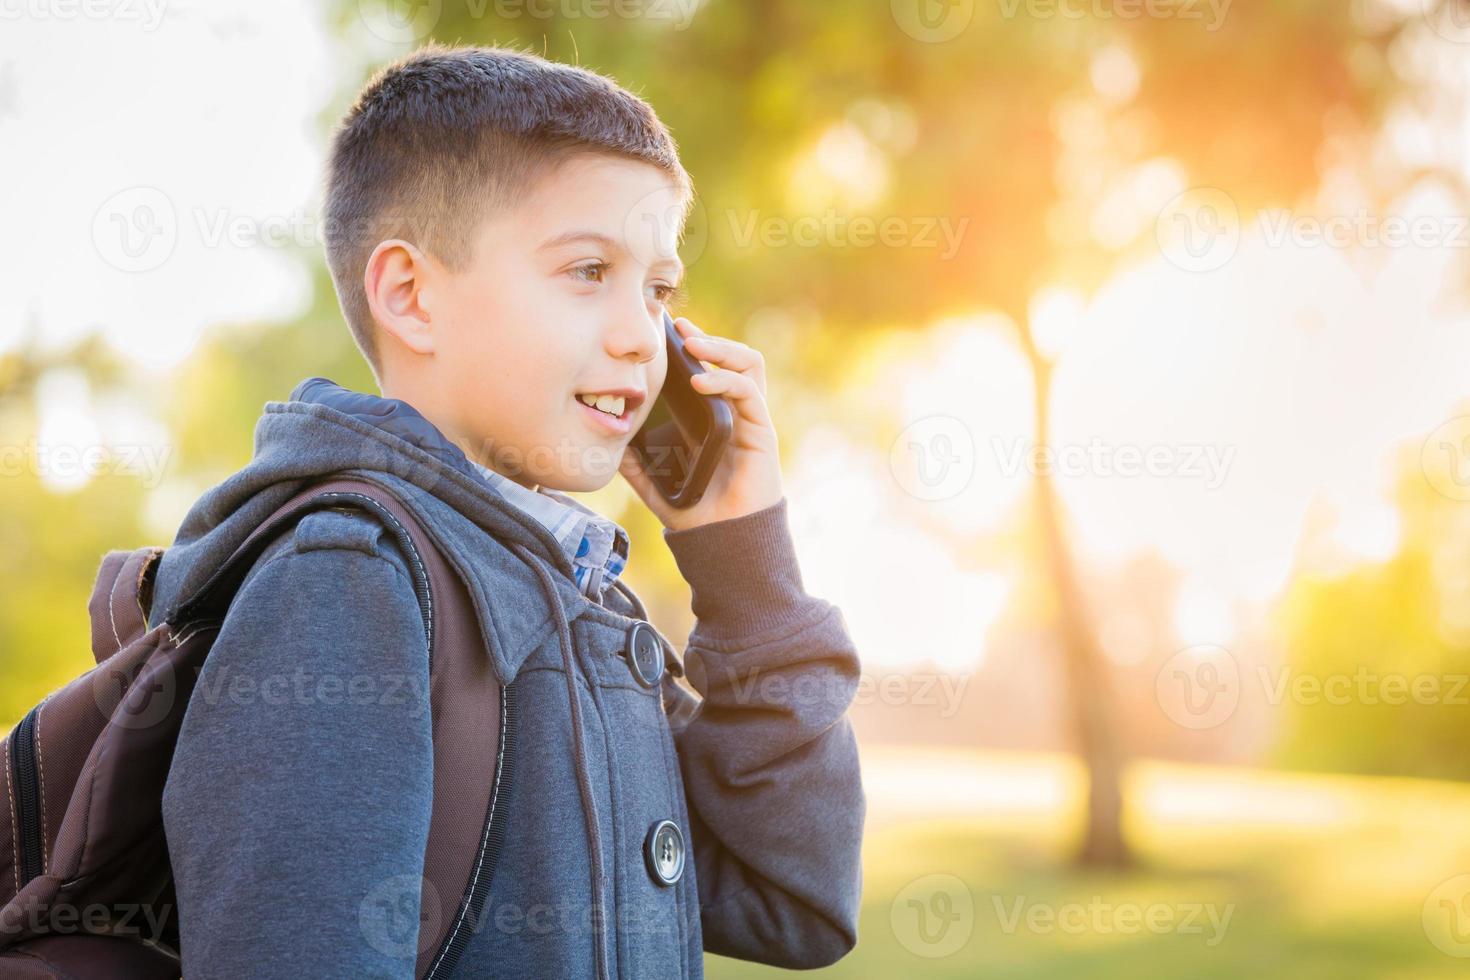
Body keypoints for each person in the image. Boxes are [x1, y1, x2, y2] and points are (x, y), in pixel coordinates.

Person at [146, 43, 865, 979]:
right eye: (585, 271)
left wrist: (746, 566)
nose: (640, 339)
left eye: (658, 291)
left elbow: (797, 901)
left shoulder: (585, 606)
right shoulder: (347, 582)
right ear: (411, 297)